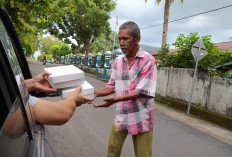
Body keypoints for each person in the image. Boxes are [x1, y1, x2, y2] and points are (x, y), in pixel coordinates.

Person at [93, 21, 157, 157]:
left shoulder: (148, 61)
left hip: (141, 117)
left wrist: (116, 99)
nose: (121, 43)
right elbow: (111, 86)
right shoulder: (118, 61)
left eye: (125, 39)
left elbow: (141, 92)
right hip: (121, 116)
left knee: (143, 155)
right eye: (119, 39)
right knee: (112, 152)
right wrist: (94, 93)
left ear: (137, 39)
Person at [4, 71, 91, 138]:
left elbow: (9, 88)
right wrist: (73, 99)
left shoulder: (13, 97)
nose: (21, 81)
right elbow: (63, 113)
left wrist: (33, 82)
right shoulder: (24, 103)